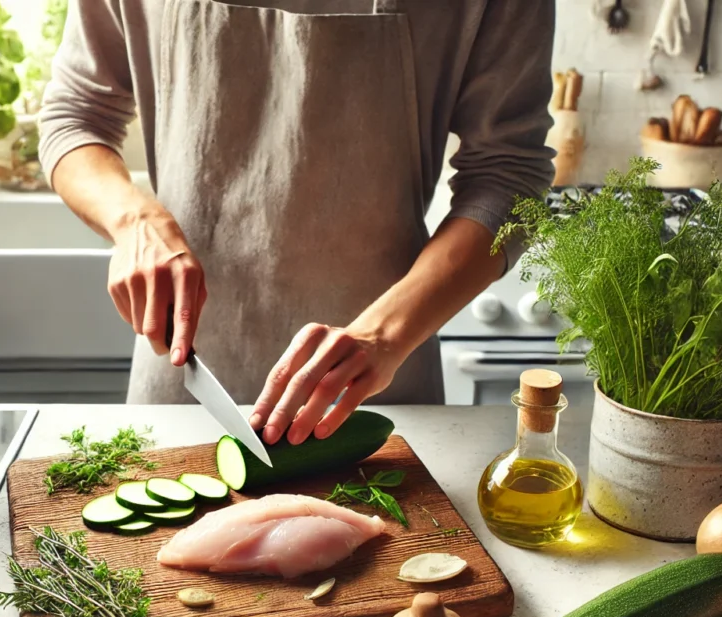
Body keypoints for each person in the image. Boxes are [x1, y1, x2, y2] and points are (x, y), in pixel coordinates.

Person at [40, 0, 555, 447]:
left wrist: (384, 337)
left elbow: (507, 174)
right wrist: (134, 220)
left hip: (376, 385)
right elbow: (75, 114)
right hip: (184, 369)